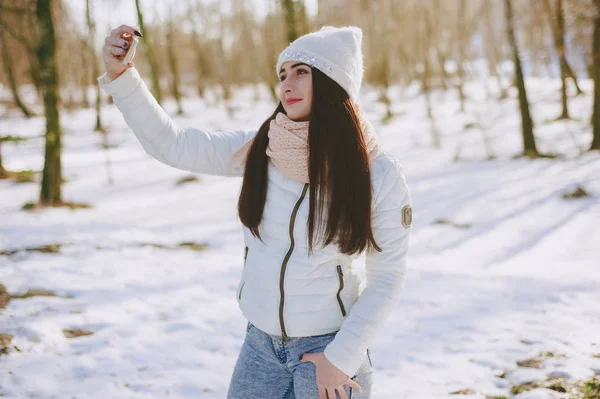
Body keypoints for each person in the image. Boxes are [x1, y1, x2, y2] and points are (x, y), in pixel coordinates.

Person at [98, 24, 412, 399]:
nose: (287, 85)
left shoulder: (377, 172)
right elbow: (173, 145)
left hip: (329, 349)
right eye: (283, 74)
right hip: (260, 346)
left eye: (302, 72)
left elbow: (388, 276)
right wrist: (122, 77)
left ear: (333, 81)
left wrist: (342, 357)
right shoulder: (264, 147)